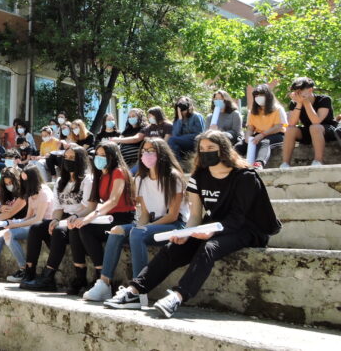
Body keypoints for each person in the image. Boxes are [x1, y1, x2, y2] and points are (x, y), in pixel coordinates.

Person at [103, 130, 281, 317]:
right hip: (213, 225)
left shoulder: (245, 177)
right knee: (174, 247)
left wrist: (211, 233)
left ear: (224, 150)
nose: (206, 152)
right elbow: (195, 215)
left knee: (209, 247)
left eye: (211, 148)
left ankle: (178, 296)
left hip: (248, 228)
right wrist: (186, 233)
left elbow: (238, 217)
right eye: (202, 149)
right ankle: (134, 291)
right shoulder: (199, 177)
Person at [81, 138, 186, 302]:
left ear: (162, 153)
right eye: (144, 151)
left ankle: (138, 292)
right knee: (116, 231)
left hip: (173, 225)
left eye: (151, 151)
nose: (147, 154)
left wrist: (143, 228)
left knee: (137, 233)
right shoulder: (140, 179)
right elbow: (144, 214)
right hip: (152, 224)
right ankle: (104, 284)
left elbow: (172, 215)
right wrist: (137, 227)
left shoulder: (174, 177)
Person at [19, 145, 93, 292]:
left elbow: (87, 207)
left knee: (59, 231)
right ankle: (29, 272)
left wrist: (63, 222)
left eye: (72, 158)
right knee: (36, 228)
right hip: (63, 218)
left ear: (81, 160)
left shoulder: (87, 180)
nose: (68, 161)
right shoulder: (60, 181)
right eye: (66, 157)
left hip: (79, 219)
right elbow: (58, 208)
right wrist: (54, 220)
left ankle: (48, 277)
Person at [68, 141, 136, 296]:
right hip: (105, 216)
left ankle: (102, 279)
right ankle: (80, 277)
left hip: (122, 217)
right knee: (75, 228)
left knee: (85, 228)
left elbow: (113, 200)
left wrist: (90, 218)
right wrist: (78, 217)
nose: (99, 158)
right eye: (97, 155)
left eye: (103, 155)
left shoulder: (118, 172)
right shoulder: (100, 174)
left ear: (112, 156)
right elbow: (94, 204)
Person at [281, 76, 340, 168]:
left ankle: (318, 161)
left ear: (310, 90)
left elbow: (316, 121)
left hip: (327, 129)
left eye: (300, 90)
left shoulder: (324, 99)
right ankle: (285, 164)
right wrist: (299, 103)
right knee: (290, 130)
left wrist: (306, 102)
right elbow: (292, 123)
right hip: (309, 130)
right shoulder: (294, 102)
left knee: (315, 127)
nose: (297, 93)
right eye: (296, 91)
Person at [235, 84, 287, 169]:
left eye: (261, 95)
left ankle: (259, 164)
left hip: (277, 135)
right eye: (256, 95)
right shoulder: (252, 111)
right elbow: (250, 128)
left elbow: (279, 126)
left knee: (264, 142)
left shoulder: (278, 109)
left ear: (268, 96)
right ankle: (229, 162)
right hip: (259, 135)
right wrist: (247, 137)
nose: (258, 97)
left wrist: (262, 135)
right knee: (240, 145)